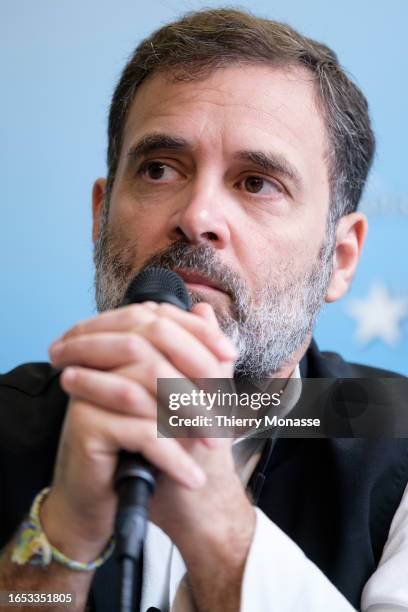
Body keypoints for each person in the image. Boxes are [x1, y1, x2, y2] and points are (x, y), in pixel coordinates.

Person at [0, 8, 407, 611]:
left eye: (256, 182)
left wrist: (219, 527)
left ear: (339, 258)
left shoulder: (397, 432)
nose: (197, 216)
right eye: (160, 169)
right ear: (100, 215)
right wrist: (61, 539)